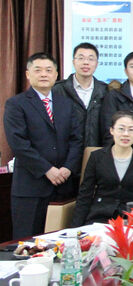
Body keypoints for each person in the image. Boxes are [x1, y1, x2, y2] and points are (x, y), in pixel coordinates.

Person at [4, 52, 83, 238]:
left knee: (61, 241)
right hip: (31, 187)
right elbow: (18, 143)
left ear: (56, 75)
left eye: (49, 70)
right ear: (28, 74)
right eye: (38, 70)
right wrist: (47, 169)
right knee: (27, 241)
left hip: (63, 184)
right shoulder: (16, 104)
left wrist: (68, 168)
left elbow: (77, 139)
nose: (44, 74)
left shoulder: (67, 104)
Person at [71, 111, 133, 227]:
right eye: (121, 129)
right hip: (99, 218)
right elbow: (85, 194)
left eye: (131, 130)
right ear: (112, 130)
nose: (126, 134)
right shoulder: (97, 157)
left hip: (128, 219)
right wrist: (75, 228)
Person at [52, 42, 107, 148]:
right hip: (66, 152)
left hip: (96, 152)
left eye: (91, 59)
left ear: (97, 64)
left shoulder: (105, 91)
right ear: (73, 62)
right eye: (81, 58)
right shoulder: (57, 90)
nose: (86, 62)